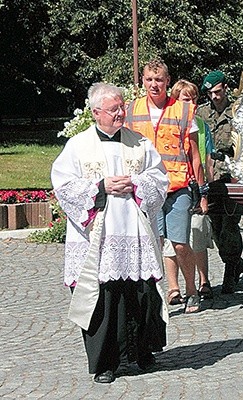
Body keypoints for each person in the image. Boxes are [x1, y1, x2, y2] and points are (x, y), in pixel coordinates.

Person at [51, 83, 169, 383]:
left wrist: (138, 185)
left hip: (135, 234)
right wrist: (100, 187)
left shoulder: (140, 144)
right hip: (97, 237)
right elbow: (63, 185)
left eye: (122, 107)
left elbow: (159, 178)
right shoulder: (78, 146)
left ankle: (143, 352)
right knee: (102, 298)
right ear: (96, 112)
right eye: (114, 109)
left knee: (139, 294)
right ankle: (105, 363)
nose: (121, 113)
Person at [124, 59, 208, 313]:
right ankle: (162, 293)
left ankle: (191, 289)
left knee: (180, 242)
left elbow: (194, 154)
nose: (153, 85)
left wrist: (202, 192)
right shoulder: (131, 109)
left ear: (167, 82)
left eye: (158, 80)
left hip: (177, 186)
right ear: (142, 81)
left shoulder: (182, 111)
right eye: (149, 79)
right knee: (153, 244)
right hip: (146, 189)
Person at [162, 79, 215, 309]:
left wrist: (204, 190)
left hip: (193, 183)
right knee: (172, 241)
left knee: (196, 236)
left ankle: (202, 281)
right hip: (172, 184)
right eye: (186, 99)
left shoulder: (200, 124)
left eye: (194, 99)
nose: (191, 103)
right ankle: (173, 286)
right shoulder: (171, 119)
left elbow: (203, 157)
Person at [197, 70, 243, 294]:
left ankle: (231, 265)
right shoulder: (202, 113)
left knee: (229, 225)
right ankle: (234, 261)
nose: (214, 97)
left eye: (218, 92)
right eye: (210, 93)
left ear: (226, 88)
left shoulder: (240, 111)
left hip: (230, 177)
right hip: (210, 178)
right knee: (215, 228)